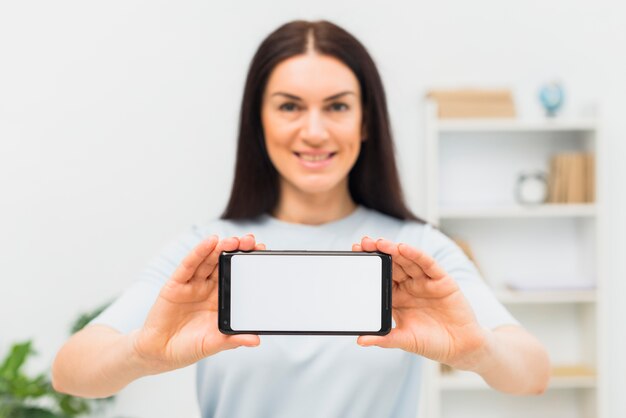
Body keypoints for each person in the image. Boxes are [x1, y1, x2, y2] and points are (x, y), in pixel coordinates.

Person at [52, 20, 550, 417]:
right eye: (290, 106)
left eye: (337, 106)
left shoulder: (416, 252)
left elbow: (532, 373)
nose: (314, 131)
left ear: (366, 121)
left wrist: (477, 352)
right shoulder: (208, 251)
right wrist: (143, 354)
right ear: (259, 121)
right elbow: (70, 371)